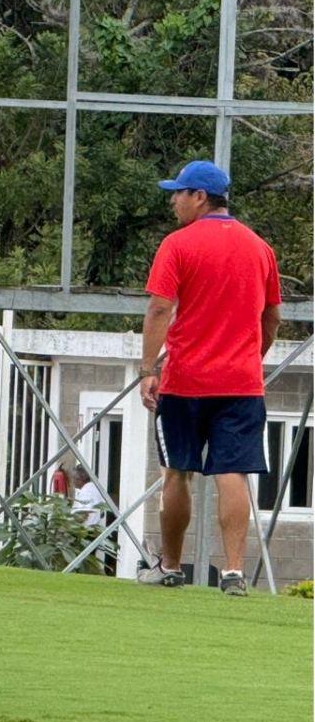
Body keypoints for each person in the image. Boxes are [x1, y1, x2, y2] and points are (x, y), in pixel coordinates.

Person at [137, 160, 281, 597]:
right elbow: (272, 317)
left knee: (177, 472)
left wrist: (147, 369)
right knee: (232, 472)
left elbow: (160, 308)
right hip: (241, 383)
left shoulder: (178, 244)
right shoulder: (260, 248)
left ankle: (171, 566)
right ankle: (234, 573)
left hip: (184, 381)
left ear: (200, 197)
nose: (173, 200)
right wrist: (251, 359)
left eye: (179, 192)